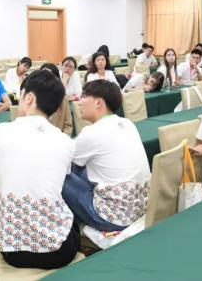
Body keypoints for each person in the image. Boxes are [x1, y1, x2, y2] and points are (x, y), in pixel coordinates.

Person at [0, 70, 78, 269]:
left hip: (14, 252)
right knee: (71, 218)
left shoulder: (3, 132)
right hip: (59, 252)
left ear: (29, 97)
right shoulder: (66, 142)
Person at [63, 80, 150, 232]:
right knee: (78, 168)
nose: (79, 102)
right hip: (141, 209)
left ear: (98, 102)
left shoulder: (91, 133)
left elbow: (60, 159)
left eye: (84, 96)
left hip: (112, 218)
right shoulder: (127, 123)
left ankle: (60, 222)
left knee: (56, 173)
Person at [40, 63, 72, 135]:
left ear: (56, 78)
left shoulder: (62, 99)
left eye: (49, 76)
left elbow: (67, 126)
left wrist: (62, 139)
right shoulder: (33, 98)